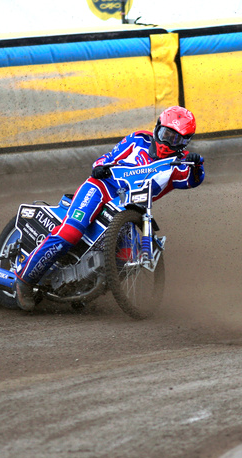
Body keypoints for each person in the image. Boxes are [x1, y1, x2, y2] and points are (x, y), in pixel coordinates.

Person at [13, 106, 205, 310]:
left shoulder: (180, 163)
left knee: (122, 260)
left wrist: (198, 165)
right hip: (101, 188)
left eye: (175, 139)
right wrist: (100, 166)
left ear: (185, 142)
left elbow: (192, 180)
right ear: (157, 128)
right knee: (71, 232)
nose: (167, 142)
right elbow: (109, 157)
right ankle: (24, 282)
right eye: (165, 134)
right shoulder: (139, 139)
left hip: (128, 207)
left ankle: (81, 290)